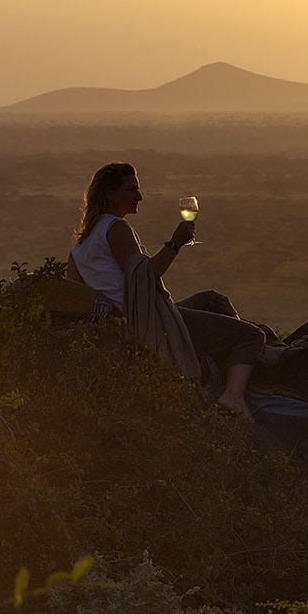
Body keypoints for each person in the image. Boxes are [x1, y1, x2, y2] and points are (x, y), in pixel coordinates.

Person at [67, 162, 265, 420]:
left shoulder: (78, 247)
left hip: (134, 317)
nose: (139, 196)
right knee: (252, 335)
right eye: (131, 190)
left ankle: (240, 357)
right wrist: (175, 243)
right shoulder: (116, 228)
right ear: (109, 194)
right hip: (148, 321)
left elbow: (82, 297)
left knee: (213, 300)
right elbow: (146, 277)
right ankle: (234, 396)